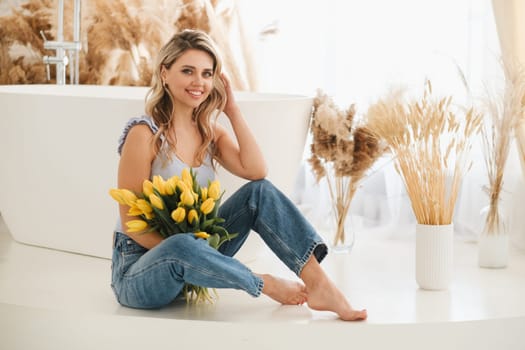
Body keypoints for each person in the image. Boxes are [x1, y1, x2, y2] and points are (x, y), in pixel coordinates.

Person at [111, 29, 367, 321]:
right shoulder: (144, 134)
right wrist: (193, 253)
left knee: (260, 192)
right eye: (188, 71)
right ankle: (263, 283)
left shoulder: (209, 132)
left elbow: (257, 171)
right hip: (138, 274)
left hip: (197, 263)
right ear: (164, 73)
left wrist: (232, 110)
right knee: (183, 244)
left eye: (207, 74)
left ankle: (319, 283)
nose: (199, 82)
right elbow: (133, 226)